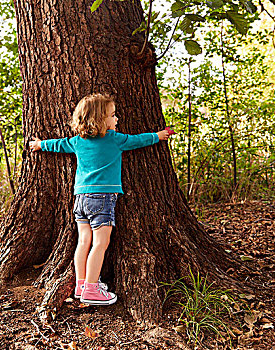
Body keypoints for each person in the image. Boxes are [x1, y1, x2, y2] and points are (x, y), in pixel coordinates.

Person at [29, 93, 171, 306]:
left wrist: (40, 145)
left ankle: (81, 284)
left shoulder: (77, 141)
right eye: (113, 115)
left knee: (84, 241)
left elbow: (58, 144)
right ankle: (92, 289)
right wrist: (158, 135)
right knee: (100, 243)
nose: (117, 119)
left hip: (80, 198)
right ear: (99, 119)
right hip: (102, 198)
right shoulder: (115, 139)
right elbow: (138, 140)